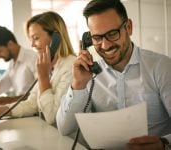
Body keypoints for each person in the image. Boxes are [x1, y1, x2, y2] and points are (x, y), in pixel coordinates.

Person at [56, 0, 171, 149]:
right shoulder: (89, 73)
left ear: (128, 27)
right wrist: (78, 84)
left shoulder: (162, 67)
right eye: (97, 38)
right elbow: (64, 128)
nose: (106, 45)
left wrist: (164, 144)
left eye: (112, 34)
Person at [0, 11, 76, 125]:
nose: (32, 45)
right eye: (30, 39)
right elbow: (31, 104)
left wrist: (43, 76)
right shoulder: (49, 64)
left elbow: (51, 116)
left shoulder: (71, 66)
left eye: (36, 38)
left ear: (56, 37)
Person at [0, 26, 37, 106]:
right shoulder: (12, 64)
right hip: (22, 109)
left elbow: (41, 92)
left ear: (10, 44)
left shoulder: (33, 58)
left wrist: (11, 100)